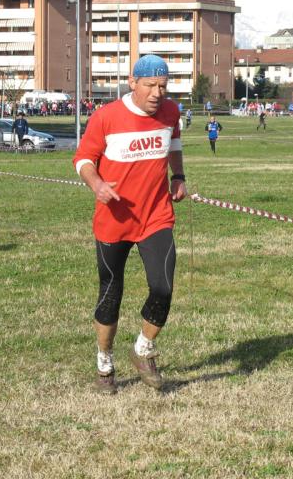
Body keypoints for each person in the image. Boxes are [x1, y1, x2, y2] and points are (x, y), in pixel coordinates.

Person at [73, 54, 187, 394]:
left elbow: (175, 143)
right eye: (150, 86)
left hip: (156, 215)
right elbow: (82, 159)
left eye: (163, 87)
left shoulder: (170, 112)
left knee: (163, 286)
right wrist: (97, 185)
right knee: (111, 294)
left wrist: (178, 175)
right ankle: (104, 363)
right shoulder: (106, 117)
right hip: (115, 219)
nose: (157, 93)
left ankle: (143, 349)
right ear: (132, 83)